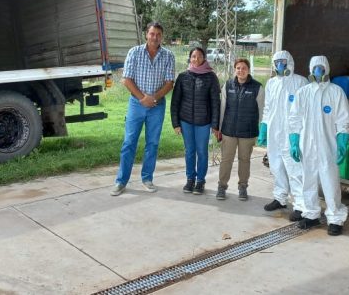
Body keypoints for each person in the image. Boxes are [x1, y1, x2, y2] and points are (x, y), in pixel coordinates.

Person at [110, 22, 175, 196]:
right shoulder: (135, 52)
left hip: (157, 105)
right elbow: (126, 79)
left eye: (158, 34)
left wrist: (153, 98)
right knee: (129, 142)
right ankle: (121, 181)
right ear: (146, 34)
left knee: (152, 143)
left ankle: (147, 178)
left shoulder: (168, 56)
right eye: (152, 34)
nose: (155, 37)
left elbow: (170, 83)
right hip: (136, 104)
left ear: (162, 36)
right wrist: (143, 98)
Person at [288, 55, 349, 235]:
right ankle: (311, 215)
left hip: (327, 146)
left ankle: (335, 219)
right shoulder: (303, 92)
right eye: (315, 67)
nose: (318, 71)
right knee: (308, 180)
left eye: (321, 68)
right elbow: (294, 120)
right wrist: (293, 142)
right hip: (306, 145)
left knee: (330, 182)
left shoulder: (336, 92)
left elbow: (342, 120)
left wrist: (341, 143)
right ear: (310, 69)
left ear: (327, 69)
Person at [257, 50, 308, 221]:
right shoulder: (271, 83)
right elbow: (268, 107)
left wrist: (299, 134)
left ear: (289, 62)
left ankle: (301, 205)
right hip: (274, 131)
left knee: (295, 169)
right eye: (277, 61)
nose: (280, 65)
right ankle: (280, 198)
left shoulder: (300, 82)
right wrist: (264, 126)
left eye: (283, 61)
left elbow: (305, 110)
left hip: (291, 132)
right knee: (276, 165)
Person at [171, 47, 221, 195]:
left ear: (204, 58)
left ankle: (200, 181)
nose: (196, 59)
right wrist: (176, 123)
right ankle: (190, 179)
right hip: (185, 121)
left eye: (199, 56)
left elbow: (215, 103)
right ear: (189, 58)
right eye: (193, 56)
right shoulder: (182, 76)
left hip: (203, 122)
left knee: (202, 152)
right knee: (189, 152)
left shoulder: (211, 77)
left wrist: (215, 124)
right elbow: (175, 102)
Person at [216, 58, 265, 201]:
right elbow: (223, 109)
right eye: (238, 68)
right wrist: (219, 128)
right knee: (226, 160)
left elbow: (262, 111)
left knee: (244, 160)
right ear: (234, 69)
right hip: (229, 131)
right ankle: (222, 186)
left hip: (248, 132)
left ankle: (243, 187)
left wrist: (261, 130)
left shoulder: (257, 87)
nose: (241, 70)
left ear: (248, 70)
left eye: (244, 68)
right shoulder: (227, 85)